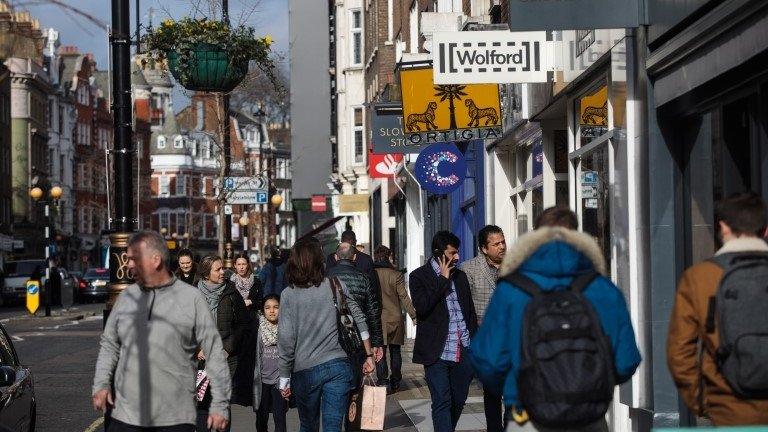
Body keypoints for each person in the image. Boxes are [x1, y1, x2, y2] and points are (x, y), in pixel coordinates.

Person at [469, 207, 641, 432]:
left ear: (536, 237)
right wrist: (587, 384)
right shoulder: (603, 290)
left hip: (526, 416)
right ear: (578, 237)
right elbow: (626, 361)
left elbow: (488, 361)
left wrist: (515, 386)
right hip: (588, 418)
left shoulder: (510, 291)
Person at [92, 231, 230, 432]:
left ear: (156, 260)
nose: (128, 265)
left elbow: (214, 351)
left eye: (134, 259)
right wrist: (101, 383)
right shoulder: (127, 297)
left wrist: (219, 404)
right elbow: (109, 344)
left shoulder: (191, 298)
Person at [667, 192, 768, 425]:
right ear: (764, 230)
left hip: (728, 410)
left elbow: (679, 353)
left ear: (723, 228)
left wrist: (704, 402)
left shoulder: (700, 277)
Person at [278, 239, 376, 432]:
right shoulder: (334, 285)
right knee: (333, 426)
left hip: (305, 370)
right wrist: (369, 355)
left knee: (308, 425)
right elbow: (359, 318)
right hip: (338, 366)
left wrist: (283, 378)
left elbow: (286, 340)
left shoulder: (288, 295)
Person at [410, 231, 478, 432]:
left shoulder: (461, 276)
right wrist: (442, 279)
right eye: (453, 253)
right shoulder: (418, 276)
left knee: (458, 400)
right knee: (441, 401)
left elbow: (470, 312)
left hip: (463, 349)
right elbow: (422, 308)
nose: (457, 257)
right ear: (439, 253)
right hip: (436, 352)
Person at [459, 225, 506, 432]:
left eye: (503, 241)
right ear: (484, 248)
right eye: (496, 244)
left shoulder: (516, 265)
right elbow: (463, 307)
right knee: (492, 390)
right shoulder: (468, 269)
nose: (502, 246)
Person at [195, 255, 249, 432]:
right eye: (217, 269)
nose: (222, 272)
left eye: (222, 268)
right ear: (205, 274)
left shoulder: (231, 292)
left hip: (225, 360)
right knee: (202, 402)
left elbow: (243, 324)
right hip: (200, 361)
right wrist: (197, 349)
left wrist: (227, 348)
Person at [327, 242, 385, 369]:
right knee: (358, 374)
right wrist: (377, 342)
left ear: (336, 258)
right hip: (360, 337)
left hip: (332, 336)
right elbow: (373, 311)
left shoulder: (326, 277)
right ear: (354, 258)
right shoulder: (364, 278)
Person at [373, 245, 417, 393]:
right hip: (395, 318)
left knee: (380, 351)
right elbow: (403, 296)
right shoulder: (395, 274)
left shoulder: (371, 274)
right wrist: (413, 315)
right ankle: (396, 380)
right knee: (395, 351)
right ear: (388, 256)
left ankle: (383, 380)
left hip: (378, 319)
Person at [230, 253, 263, 407]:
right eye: (239, 264)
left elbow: (262, 301)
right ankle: (237, 392)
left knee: (251, 359)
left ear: (248, 265)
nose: (241, 267)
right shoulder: (230, 283)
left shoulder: (256, 281)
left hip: (252, 324)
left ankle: (249, 394)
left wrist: (251, 301)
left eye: (244, 264)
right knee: (238, 358)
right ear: (235, 266)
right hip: (236, 325)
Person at [254, 294, 288, 432]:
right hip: (261, 382)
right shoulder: (258, 329)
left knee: (280, 419)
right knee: (261, 420)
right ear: (263, 310)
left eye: (276, 307)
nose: (272, 311)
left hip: (279, 381)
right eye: (267, 308)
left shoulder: (286, 328)